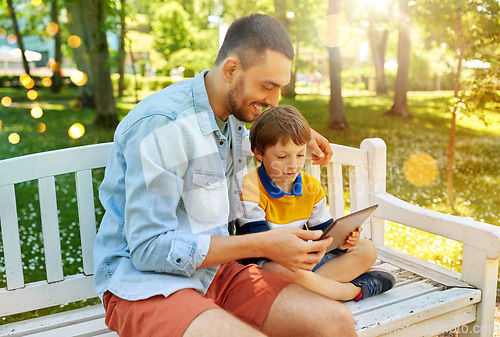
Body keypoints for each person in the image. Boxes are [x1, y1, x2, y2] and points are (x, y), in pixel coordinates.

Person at [93, 14, 357, 337]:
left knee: (337, 323)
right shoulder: (165, 125)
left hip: (215, 275)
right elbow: (149, 248)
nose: (274, 101)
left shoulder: (231, 121)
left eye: (279, 88)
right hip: (146, 286)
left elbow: (255, 142)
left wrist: (303, 134)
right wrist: (264, 243)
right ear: (231, 70)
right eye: (267, 86)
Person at [236, 105, 396, 302]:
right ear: (259, 153)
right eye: (282, 156)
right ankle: (353, 291)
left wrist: (342, 243)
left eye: (300, 155)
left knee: (367, 249)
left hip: (304, 262)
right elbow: (259, 245)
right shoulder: (250, 187)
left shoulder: (310, 186)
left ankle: (299, 291)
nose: (293, 164)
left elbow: (323, 234)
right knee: (279, 270)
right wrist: (302, 255)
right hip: (269, 265)